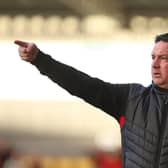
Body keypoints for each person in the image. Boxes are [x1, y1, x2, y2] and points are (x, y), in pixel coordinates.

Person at [14, 32, 168, 168]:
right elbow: (82, 85)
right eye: (153, 57)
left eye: (163, 58)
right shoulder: (131, 98)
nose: (154, 65)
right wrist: (39, 59)